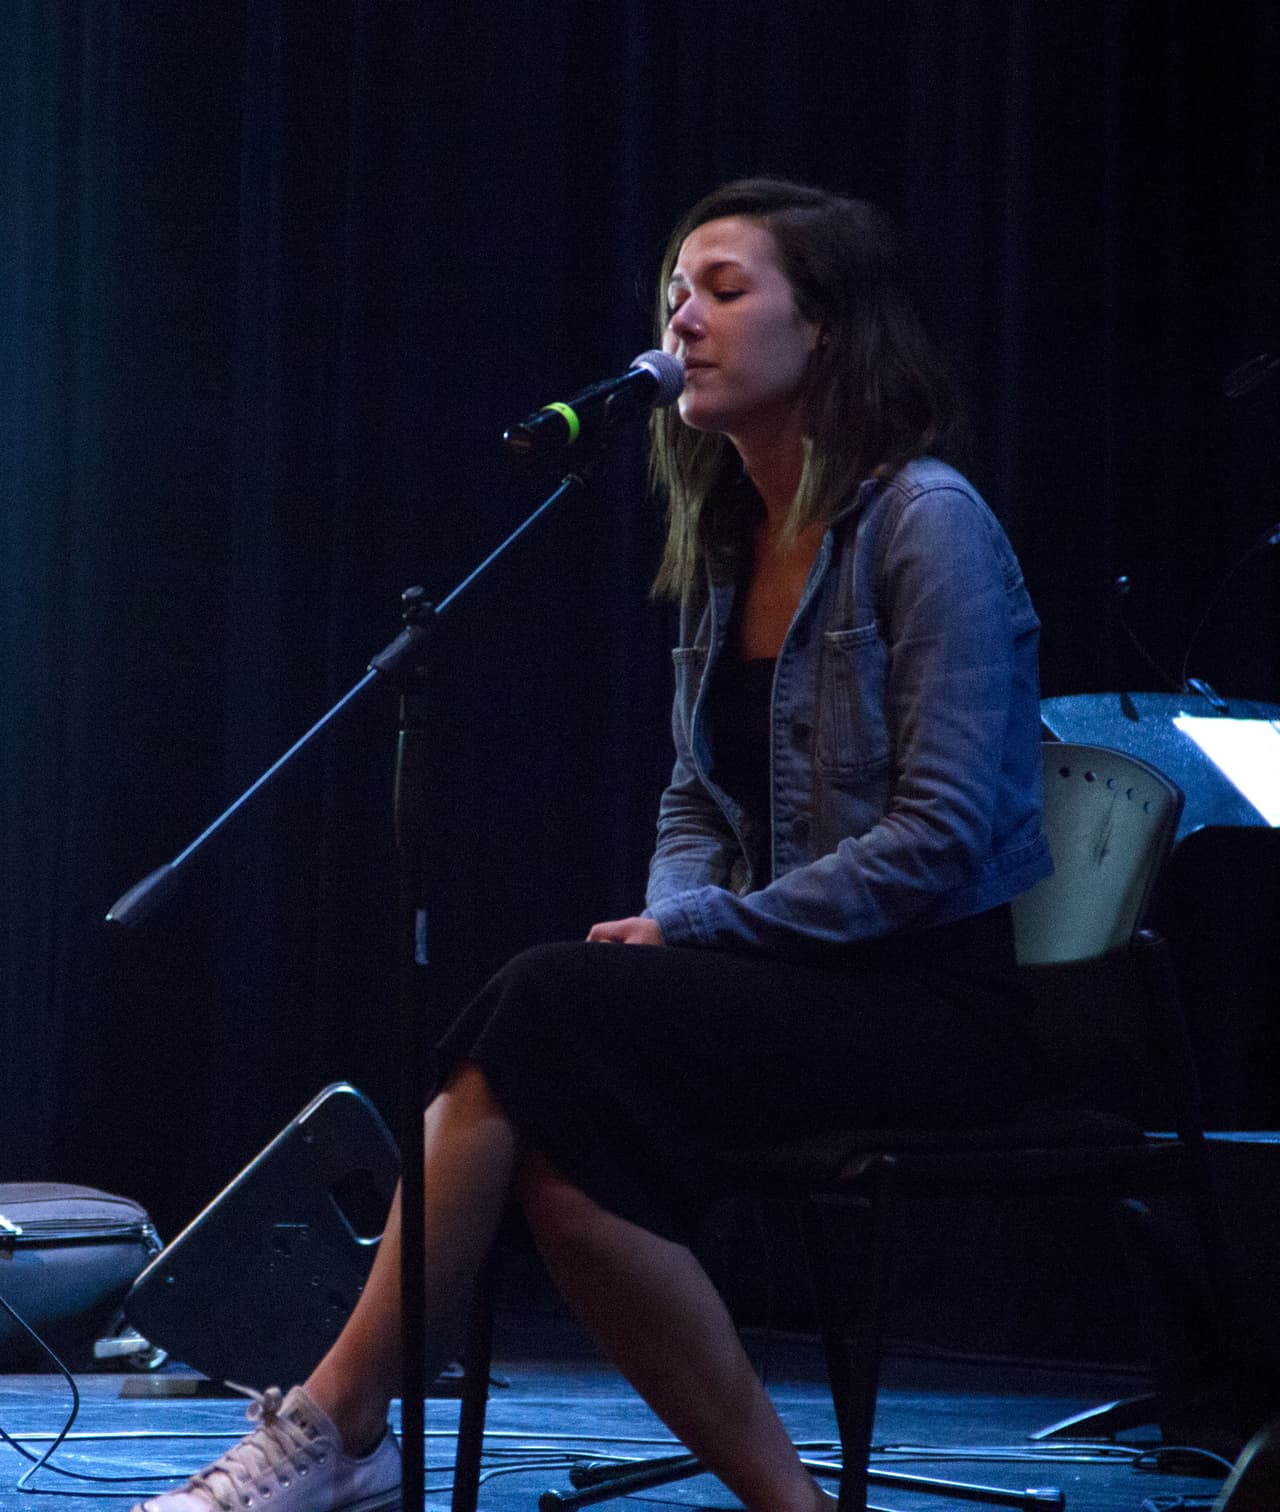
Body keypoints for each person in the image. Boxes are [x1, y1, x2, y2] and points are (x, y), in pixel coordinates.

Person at [133, 177, 1051, 1512]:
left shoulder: (928, 522)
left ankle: (335, 1428)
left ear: (833, 330)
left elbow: (939, 837)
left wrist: (693, 935)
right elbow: (694, 797)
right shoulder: (731, 541)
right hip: (785, 991)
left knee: (549, 1001)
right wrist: (671, 925)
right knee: (553, 1142)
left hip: (934, 1005)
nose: (685, 319)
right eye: (676, 293)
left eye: (727, 290)